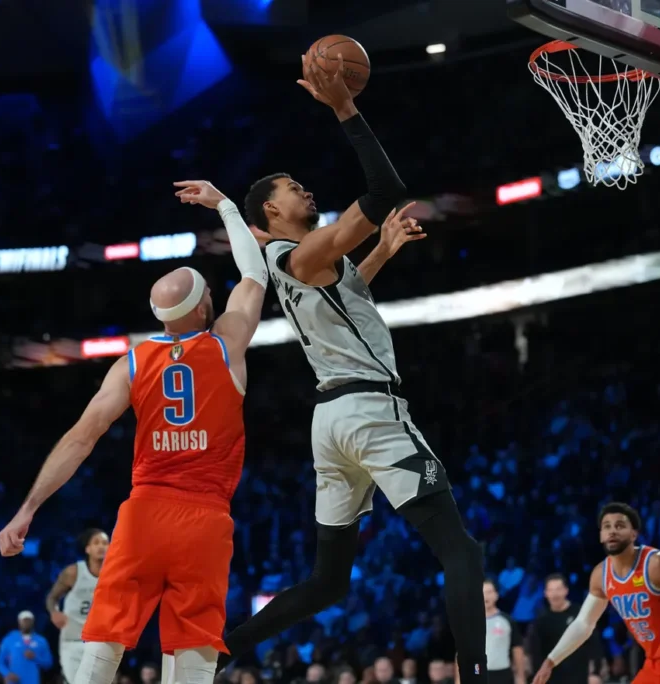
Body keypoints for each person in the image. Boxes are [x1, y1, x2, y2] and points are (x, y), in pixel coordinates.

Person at [219, 53, 488, 684]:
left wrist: (383, 250)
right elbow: (386, 191)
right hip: (369, 413)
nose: (305, 190)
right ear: (270, 217)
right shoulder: (302, 252)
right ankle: (477, 675)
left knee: (327, 581)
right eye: (292, 189)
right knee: (462, 552)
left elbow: (343, 301)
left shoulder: (298, 266)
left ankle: (221, 652)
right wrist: (344, 108)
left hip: (330, 422)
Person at [0, 179, 269, 684]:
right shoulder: (228, 343)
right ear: (203, 307)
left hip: (143, 512)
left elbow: (81, 436)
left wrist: (28, 508)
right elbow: (255, 273)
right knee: (192, 647)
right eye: (209, 290)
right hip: (204, 516)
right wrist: (226, 206)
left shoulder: (133, 363)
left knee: (103, 644)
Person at [531, 503, 660, 684]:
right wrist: (550, 660)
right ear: (600, 535)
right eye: (606, 526)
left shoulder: (656, 564)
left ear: (633, 534)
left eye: (619, 525)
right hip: (656, 664)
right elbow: (584, 623)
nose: (612, 530)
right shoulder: (601, 575)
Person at [47, 528, 109, 682]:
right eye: (96, 543)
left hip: (101, 642)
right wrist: (54, 612)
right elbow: (52, 597)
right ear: (87, 549)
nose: (101, 546)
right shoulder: (73, 572)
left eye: (105, 543)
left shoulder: (115, 574)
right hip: (73, 641)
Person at [528, 574, 603, 684]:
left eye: (558, 589)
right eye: (551, 590)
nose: (555, 594)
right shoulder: (540, 621)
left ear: (566, 590)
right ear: (545, 593)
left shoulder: (581, 615)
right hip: (552, 678)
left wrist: (595, 672)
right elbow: (535, 652)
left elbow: (594, 644)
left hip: (580, 676)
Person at [483, 579, 526, 684]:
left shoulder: (507, 621)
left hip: (502, 674)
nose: (485, 596)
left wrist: (520, 677)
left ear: (496, 595)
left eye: (489, 592)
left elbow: (517, 650)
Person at [0, 611, 53, 684]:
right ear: (19, 621)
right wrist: (7, 673)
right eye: (24, 620)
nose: (26, 623)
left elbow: (49, 663)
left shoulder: (41, 641)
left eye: (28, 620)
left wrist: (35, 657)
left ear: (33, 621)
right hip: (14, 681)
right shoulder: (9, 639)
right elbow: (0, 662)